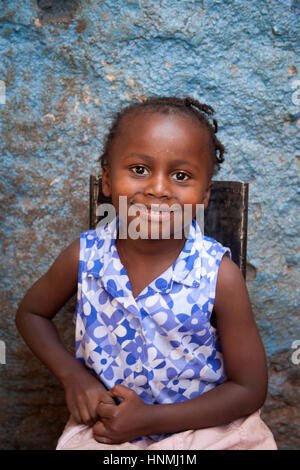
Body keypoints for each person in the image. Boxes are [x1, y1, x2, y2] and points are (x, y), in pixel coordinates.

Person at [15, 96, 277, 450]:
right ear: (108, 180)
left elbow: (249, 389)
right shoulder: (85, 257)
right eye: (139, 170)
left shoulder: (218, 275)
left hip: (204, 427)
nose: (157, 188)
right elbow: (31, 314)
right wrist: (73, 377)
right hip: (110, 425)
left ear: (203, 195)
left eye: (180, 176)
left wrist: (150, 420)